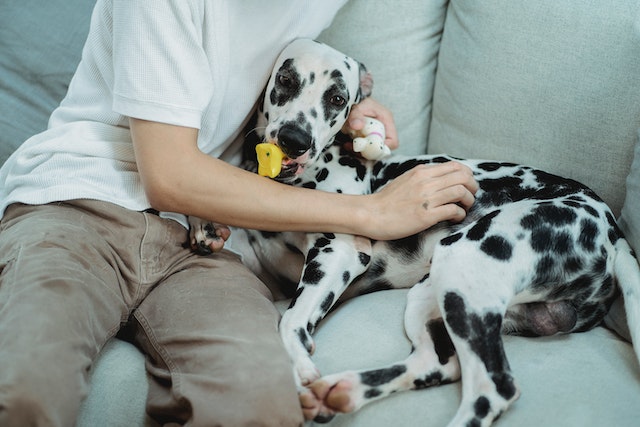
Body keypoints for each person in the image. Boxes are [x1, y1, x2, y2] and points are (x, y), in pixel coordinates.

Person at [0, 1, 478, 426]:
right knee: (25, 390)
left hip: (208, 239)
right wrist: (370, 213)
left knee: (263, 409)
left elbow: (283, 73)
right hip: (79, 203)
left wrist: (348, 105)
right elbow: (171, 177)